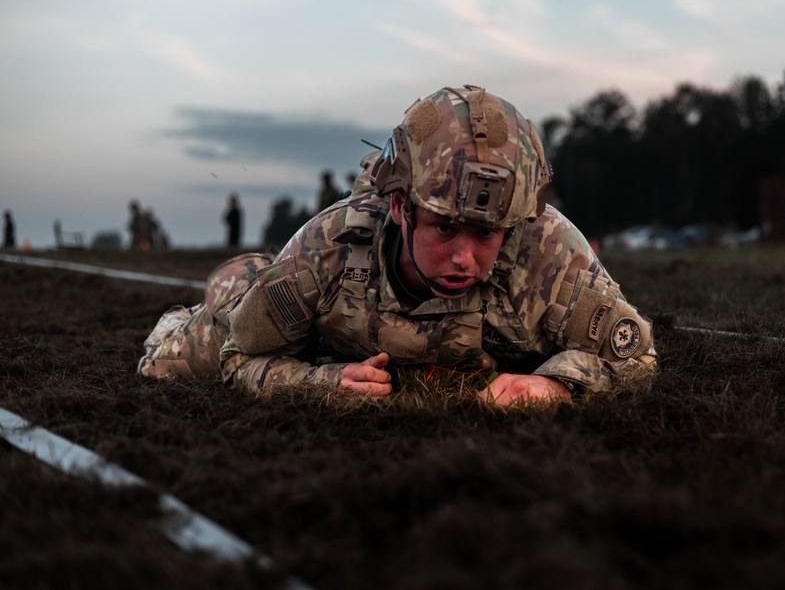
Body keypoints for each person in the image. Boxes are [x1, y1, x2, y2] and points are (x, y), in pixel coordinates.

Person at [137, 84, 657, 406]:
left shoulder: (547, 252)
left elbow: (635, 353)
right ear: (399, 208)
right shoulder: (329, 247)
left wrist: (560, 387)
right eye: (444, 228)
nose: (464, 257)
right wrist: (321, 382)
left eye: (487, 234)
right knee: (166, 364)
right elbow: (236, 359)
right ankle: (238, 281)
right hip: (315, 330)